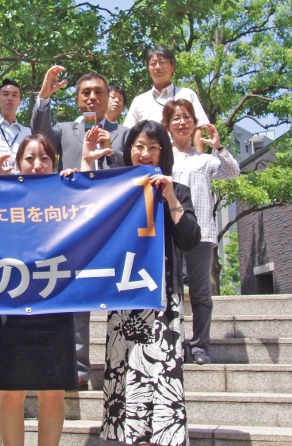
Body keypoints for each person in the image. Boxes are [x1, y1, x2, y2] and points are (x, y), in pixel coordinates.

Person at [0, 133, 99, 446]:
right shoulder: (1, 197)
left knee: (52, 393)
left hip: (54, 306)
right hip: (10, 307)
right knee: (10, 393)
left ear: (55, 163)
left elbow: (95, 206)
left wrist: (80, 179)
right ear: (18, 163)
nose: (37, 164)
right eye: (30, 158)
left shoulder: (66, 195)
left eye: (45, 158)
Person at [98, 120, 201, 445]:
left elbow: (190, 240)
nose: (144, 153)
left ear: (163, 153)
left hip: (162, 301)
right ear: (128, 150)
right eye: (138, 146)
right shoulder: (114, 190)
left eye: (153, 147)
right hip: (124, 297)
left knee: (161, 377)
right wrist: (81, 171)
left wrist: (171, 197)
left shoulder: (178, 190)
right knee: (126, 376)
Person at [31, 65, 129, 390]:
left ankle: (124, 364)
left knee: (119, 290)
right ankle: (78, 368)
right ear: (77, 99)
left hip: (114, 224)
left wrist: (112, 152)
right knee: (76, 297)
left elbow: (131, 170)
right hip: (72, 224)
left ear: (108, 98)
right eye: (85, 92)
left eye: (98, 92)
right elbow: (39, 137)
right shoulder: (63, 130)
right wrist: (44, 96)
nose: (91, 97)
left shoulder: (124, 133)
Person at [162, 98, 240, 365]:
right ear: (167, 125)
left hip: (202, 233)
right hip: (169, 234)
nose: (182, 122)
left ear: (194, 123)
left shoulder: (205, 161)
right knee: (170, 291)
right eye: (176, 118)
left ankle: (199, 346)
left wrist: (218, 146)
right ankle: (173, 342)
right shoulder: (163, 160)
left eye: (187, 117)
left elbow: (232, 172)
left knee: (200, 292)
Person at [123, 45, 210, 153]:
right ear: (148, 69)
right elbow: (128, 132)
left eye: (162, 62)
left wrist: (200, 159)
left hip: (184, 158)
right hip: (149, 160)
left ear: (173, 67)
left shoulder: (187, 94)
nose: (158, 67)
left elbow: (197, 129)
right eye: (153, 63)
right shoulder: (139, 100)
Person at [0, 79, 32, 172]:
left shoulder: (27, 132)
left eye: (14, 95)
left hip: (19, 181)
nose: (10, 98)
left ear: (20, 102)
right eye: (5, 94)